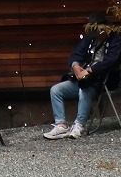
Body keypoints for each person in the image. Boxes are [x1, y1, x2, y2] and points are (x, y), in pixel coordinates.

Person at [44, 12, 121, 140]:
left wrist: (91, 70)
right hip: (84, 79)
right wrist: (75, 66)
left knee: (84, 91)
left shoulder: (116, 40)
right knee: (56, 90)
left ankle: (79, 125)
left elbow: (111, 61)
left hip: (103, 80)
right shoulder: (90, 39)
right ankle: (61, 125)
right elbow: (76, 53)